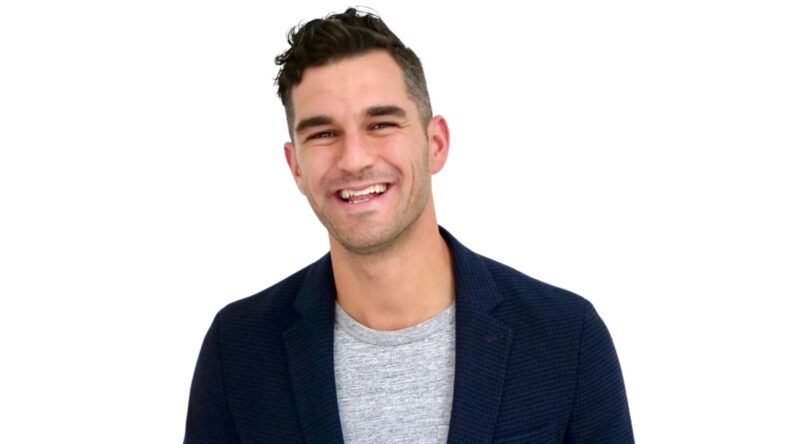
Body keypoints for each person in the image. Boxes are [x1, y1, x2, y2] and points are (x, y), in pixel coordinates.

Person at [184, 7, 634, 444]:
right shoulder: (237, 348)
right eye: (323, 133)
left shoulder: (566, 336)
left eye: (381, 124)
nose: (354, 159)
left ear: (435, 144)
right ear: (296, 166)